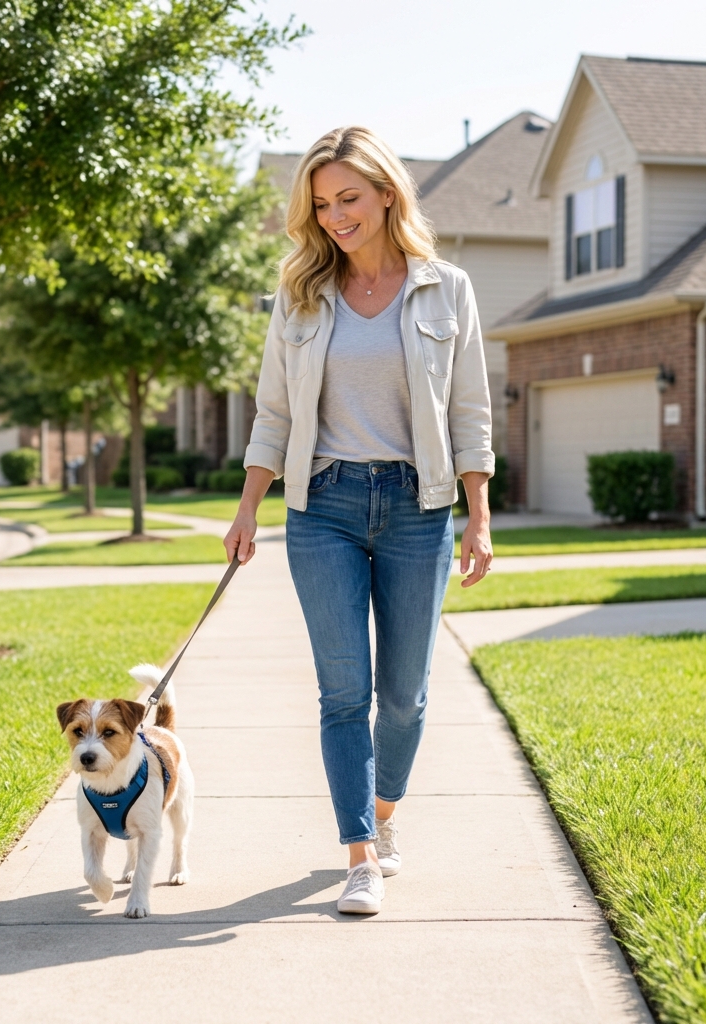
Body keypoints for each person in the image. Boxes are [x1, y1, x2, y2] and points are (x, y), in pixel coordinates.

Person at [223, 126, 494, 915]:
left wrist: (478, 517)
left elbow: (470, 410)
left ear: (385, 194)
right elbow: (272, 412)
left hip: (419, 508)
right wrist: (247, 508)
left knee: (405, 696)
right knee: (345, 692)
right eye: (321, 204)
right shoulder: (300, 294)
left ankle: (383, 814)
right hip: (324, 507)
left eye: (349, 198)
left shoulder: (447, 289)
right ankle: (359, 858)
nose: (336, 216)